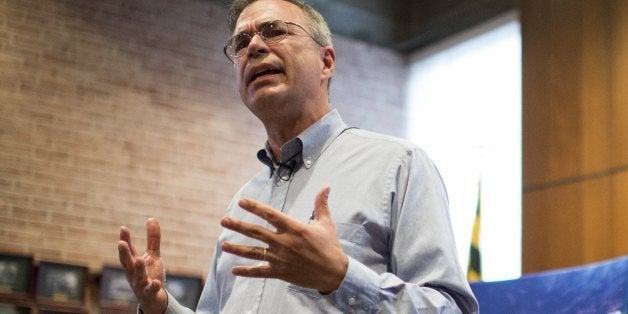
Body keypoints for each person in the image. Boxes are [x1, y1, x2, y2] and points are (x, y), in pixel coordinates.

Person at [117, 0, 479, 313]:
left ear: (326, 62)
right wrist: (161, 307)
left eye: (275, 31)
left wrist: (340, 277)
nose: (255, 46)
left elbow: (451, 308)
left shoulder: (399, 165)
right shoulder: (242, 205)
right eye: (241, 42)